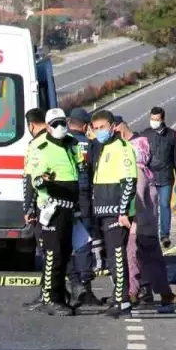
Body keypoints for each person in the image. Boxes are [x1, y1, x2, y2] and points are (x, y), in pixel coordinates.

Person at [23, 107, 90, 316]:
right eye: (55, 124)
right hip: (52, 207)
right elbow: (32, 179)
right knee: (54, 254)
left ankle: (59, 296)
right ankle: (50, 298)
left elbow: (79, 169)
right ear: (48, 128)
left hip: (70, 208)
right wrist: (41, 182)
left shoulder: (71, 144)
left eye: (62, 122)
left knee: (64, 253)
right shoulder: (41, 147)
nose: (60, 127)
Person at [88, 109, 138, 318]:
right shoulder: (102, 148)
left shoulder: (122, 148)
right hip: (102, 211)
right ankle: (119, 298)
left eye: (103, 127)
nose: (100, 131)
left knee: (117, 257)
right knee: (111, 258)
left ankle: (123, 301)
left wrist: (123, 211)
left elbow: (129, 182)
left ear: (112, 127)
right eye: (96, 128)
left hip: (116, 212)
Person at [126, 136, 176, 314]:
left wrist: (132, 220)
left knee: (136, 262)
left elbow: (138, 200)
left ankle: (135, 295)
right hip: (145, 226)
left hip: (141, 228)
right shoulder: (144, 172)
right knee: (151, 263)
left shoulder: (141, 172)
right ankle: (163, 296)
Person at [66, 107, 105, 307]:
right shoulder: (90, 144)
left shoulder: (63, 143)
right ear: (84, 126)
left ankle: (73, 286)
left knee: (66, 242)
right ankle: (85, 286)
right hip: (85, 198)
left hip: (66, 195)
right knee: (86, 241)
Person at [139, 106, 176, 249]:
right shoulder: (145, 134)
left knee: (164, 204)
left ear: (162, 119)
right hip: (150, 177)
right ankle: (150, 233)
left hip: (166, 176)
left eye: (157, 119)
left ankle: (164, 235)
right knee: (150, 206)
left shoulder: (172, 135)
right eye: (152, 119)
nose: (154, 122)